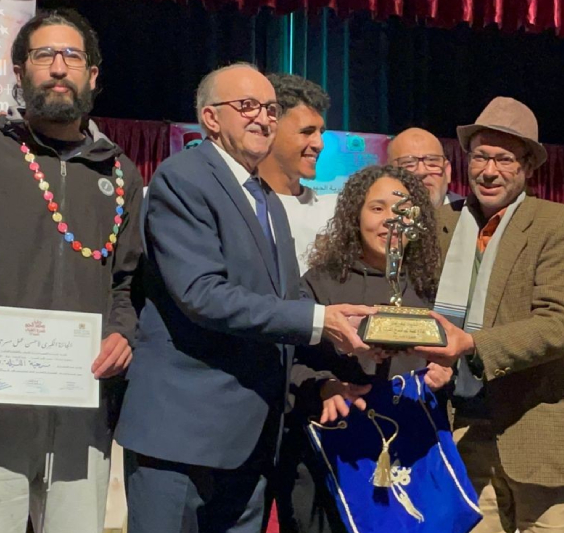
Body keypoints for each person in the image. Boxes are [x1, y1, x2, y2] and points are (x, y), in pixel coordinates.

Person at [115, 63, 373, 533]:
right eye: (248, 106)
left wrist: (352, 337)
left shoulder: (266, 199)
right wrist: (320, 320)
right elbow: (201, 294)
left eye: (271, 109)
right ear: (211, 118)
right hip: (184, 437)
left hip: (252, 442)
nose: (264, 118)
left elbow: (284, 300)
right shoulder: (183, 178)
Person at [414, 97, 564, 533]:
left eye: (504, 159)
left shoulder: (559, 224)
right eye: (480, 157)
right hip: (460, 433)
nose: (489, 171)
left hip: (540, 438)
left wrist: (470, 344)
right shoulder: (439, 224)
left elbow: (558, 325)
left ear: (528, 166)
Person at [0, 10, 143, 533]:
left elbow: (127, 281)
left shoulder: (121, 173)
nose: (59, 68)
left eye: (72, 56)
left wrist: (121, 333)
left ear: (93, 75)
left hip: (83, 401)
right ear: (20, 72)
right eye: (44, 55)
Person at [281, 164, 453, 532]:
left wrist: (445, 371)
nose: (390, 220)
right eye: (377, 208)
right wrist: (324, 386)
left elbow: (458, 356)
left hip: (410, 453)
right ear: (354, 216)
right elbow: (285, 360)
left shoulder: (431, 287)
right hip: (331, 453)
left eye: (402, 210)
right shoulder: (320, 283)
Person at [258, 73, 337, 275]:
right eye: (307, 132)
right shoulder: (239, 206)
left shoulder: (334, 211)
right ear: (269, 129)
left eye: (320, 133)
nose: (319, 144)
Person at [387, 127, 463, 208]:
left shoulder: (468, 213)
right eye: (409, 164)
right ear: (389, 174)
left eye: (432, 163)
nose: (421, 172)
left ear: (447, 172)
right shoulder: (381, 214)